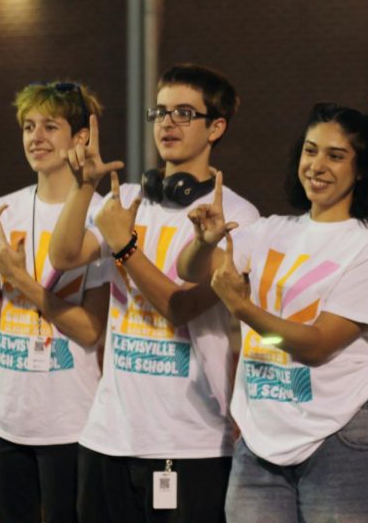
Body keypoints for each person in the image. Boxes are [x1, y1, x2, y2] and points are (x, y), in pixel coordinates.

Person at [48, 64, 259, 523]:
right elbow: (63, 256)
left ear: (216, 127)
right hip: (107, 436)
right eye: (161, 112)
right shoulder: (125, 200)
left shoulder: (239, 217)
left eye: (185, 112)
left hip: (191, 441)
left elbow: (179, 307)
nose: (168, 122)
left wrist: (124, 246)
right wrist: (84, 188)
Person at [178, 103, 368, 523]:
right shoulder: (269, 230)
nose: (317, 165)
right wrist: (205, 242)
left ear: (362, 170)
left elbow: (316, 346)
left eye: (335, 156)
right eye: (310, 150)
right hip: (261, 439)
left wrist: (242, 308)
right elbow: (189, 271)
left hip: (342, 436)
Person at [0, 81, 112, 523]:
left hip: (69, 417)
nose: (36, 137)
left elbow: (90, 328)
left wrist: (19, 279)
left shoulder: (102, 216)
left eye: (51, 125)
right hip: (3, 412)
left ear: (81, 137)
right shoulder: (4, 209)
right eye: (29, 126)